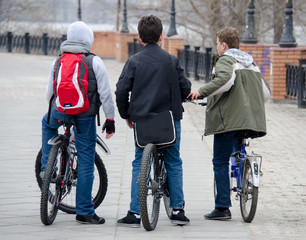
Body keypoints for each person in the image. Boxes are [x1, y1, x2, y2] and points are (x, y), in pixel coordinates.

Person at [115, 15, 191, 227]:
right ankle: (177, 210)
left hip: (143, 121)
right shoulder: (171, 61)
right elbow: (185, 88)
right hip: (169, 121)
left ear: (139, 38)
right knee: (174, 160)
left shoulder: (134, 62)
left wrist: (126, 114)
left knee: (140, 162)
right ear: (161, 37)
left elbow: (121, 91)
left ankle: (135, 213)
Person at [188, 27, 270, 220]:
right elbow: (265, 93)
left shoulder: (225, 60)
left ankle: (222, 207)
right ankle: (244, 174)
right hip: (250, 120)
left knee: (219, 161)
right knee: (237, 151)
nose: (217, 47)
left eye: (217, 43)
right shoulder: (251, 63)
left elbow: (225, 81)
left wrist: (202, 92)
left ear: (223, 45)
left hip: (230, 121)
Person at [40, 21, 115, 224]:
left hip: (60, 111)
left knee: (47, 123)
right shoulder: (94, 62)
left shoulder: (57, 61)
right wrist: (110, 119)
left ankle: (47, 167)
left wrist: (54, 110)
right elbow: (106, 95)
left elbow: (49, 93)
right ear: (88, 39)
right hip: (85, 116)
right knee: (85, 160)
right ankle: (84, 211)